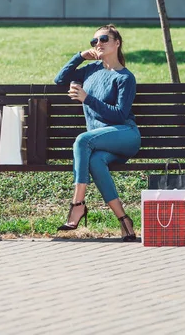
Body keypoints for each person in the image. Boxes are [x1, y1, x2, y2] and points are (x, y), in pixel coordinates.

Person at [54, 24, 141, 241]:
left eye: (103, 39)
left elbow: (120, 115)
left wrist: (87, 99)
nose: (98, 44)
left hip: (125, 136)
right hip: (100, 143)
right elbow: (60, 79)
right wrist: (80, 56)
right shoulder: (91, 70)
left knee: (82, 140)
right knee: (95, 162)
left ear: (117, 43)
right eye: (94, 41)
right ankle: (124, 221)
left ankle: (77, 204)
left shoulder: (125, 78)